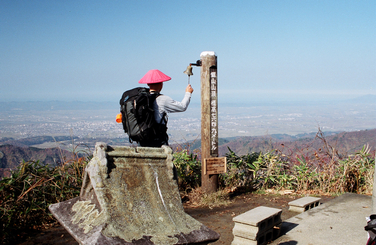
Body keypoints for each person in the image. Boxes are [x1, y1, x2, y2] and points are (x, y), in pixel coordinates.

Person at [138, 69, 194, 147]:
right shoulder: (163, 99)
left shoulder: (140, 99)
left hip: (142, 139)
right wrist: (188, 93)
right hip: (158, 139)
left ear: (148, 84)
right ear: (161, 84)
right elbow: (182, 107)